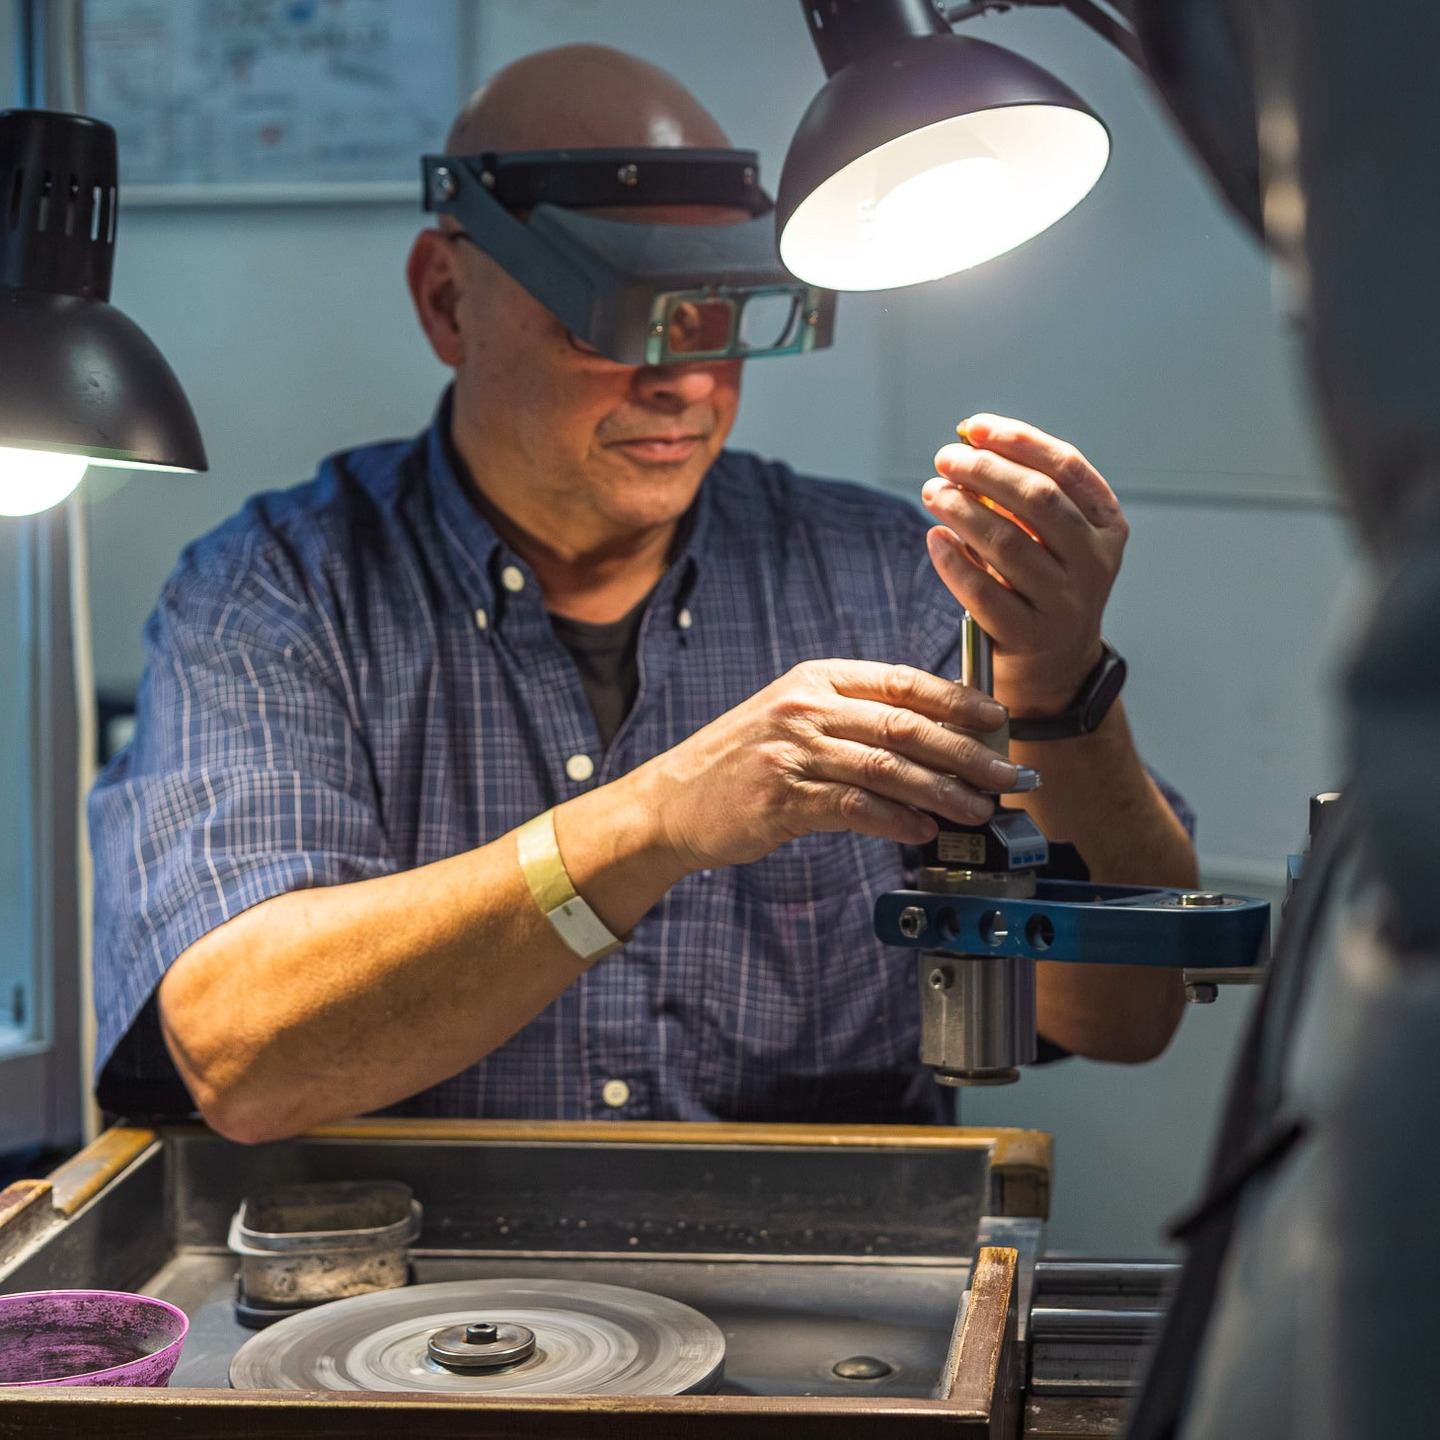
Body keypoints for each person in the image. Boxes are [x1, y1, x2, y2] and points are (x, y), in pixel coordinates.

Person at [89, 45, 1197, 1144]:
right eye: (614, 317)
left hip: (822, 1281)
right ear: (447, 298)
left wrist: (1059, 684)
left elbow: (1126, 1013)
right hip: (410, 1289)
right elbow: (241, 1056)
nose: (686, 380)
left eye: (719, 315)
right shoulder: (278, 592)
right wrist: (653, 821)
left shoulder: (891, 581)